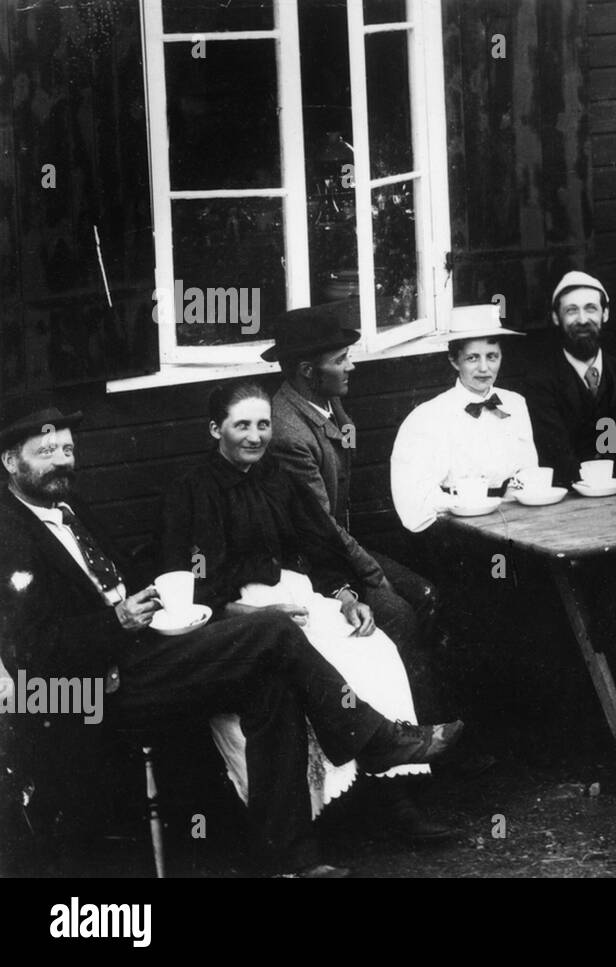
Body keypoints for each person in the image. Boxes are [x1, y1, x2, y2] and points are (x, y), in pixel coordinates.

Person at [0, 399, 456, 876]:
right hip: (98, 684)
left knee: (270, 682)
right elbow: (30, 649)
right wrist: (118, 622)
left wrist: (162, 606)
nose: (61, 461)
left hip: (147, 650)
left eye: (67, 450)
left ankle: (291, 862)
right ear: (11, 462)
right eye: (46, 451)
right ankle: (377, 739)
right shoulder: (11, 533)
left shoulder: (71, 508)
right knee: (273, 628)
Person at [159, 382, 461, 840]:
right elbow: (187, 579)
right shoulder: (192, 490)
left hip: (298, 596)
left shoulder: (279, 477)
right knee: (320, 661)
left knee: (373, 648)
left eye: (263, 424)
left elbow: (318, 546)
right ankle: (323, 817)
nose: (255, 436)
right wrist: (248, 613)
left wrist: (345, 596)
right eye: (242, 425)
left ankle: (393, 805)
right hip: (234, 613)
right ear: (214, 428)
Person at [264, 299, 445, 712]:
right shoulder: (289, 433)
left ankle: (427, 718)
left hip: (341, 548)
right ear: (309, 372)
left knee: (428, 595)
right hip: (312, 564)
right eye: (341, 359)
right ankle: (410, 742)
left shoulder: (324, 402)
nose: (352, 367)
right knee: (399, 615)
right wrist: (372, 573)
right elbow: (321, 527)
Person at [391, 321, 537, 533]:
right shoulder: (428, 416)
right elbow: (414, 494)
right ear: (454, 360)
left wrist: (512, 497)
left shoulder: (515, 403)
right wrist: (467, 504)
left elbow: (527, 468)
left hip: (513, 518)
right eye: (472, 358)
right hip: (455, 525)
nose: (484, 368)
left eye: (492, 356)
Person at [525, 271, 616, 487]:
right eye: (571, 310)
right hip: (568, 499)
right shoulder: (541, 381)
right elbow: (556, 455)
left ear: (605, 313)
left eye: (591, 308)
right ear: (556, 317)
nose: (582, 319)